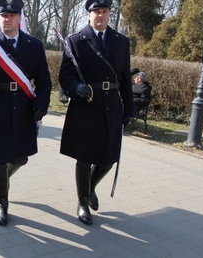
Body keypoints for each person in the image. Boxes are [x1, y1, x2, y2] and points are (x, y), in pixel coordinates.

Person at [0, 0, 52, 226]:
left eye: (13, 15)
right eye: (4, 15)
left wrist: (41, 105)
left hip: (23, 106)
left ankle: (1, 181)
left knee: (20, 157)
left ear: (19, 18)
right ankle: (2, 203)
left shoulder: (34, 45)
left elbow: (44, 81)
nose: (8, 19)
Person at [58, 0, 134, 226]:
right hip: (86, 105)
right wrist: (74, 88)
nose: (100, 15)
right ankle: (82, 203)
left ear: (109, 14)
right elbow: (65, 76)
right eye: (96, 12)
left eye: (104, 11)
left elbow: (125, 78)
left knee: (109, 158)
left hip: (111, 105)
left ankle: (90, 187)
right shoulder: (75, 40)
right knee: (84, 157)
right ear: (88, 14)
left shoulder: (121, 42)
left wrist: (129, 107)